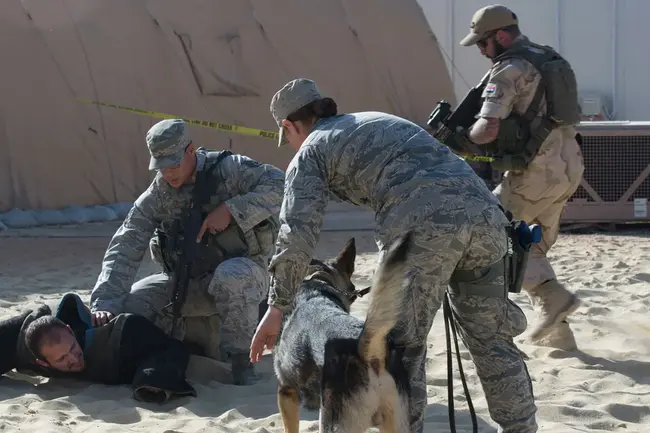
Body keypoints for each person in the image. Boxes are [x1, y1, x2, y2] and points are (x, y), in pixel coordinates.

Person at [250, 78, 538, 433]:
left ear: (289, 126)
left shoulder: (311, 149)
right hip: (487, 219)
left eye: (288, 138)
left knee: (400, 352)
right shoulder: (378, 120)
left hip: (421, 228)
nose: (291, 147)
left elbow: (296, 234)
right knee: (493, 339)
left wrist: (277, 307)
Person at [89, 118, 285, 385]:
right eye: (161, 167)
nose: (168, 174)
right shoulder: (158, 195)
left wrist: (231, 210)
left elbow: (281, 184)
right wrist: (105, 302)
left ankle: (241, 362)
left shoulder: (229, 170)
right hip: (189, 283)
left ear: (190, 150)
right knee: (134, 302)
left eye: (174, 164)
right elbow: (126, 244)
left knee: (231, 275)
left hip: (247, 276)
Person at [458, 4, 584, 350]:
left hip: (534, 174)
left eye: (483, 44)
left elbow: (487, 128)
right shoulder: (548, 58)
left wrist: (461, 138)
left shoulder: (509, 69)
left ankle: (554, 299)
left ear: (500, 36)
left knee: (494, 237)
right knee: (534, 247)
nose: (482, 52)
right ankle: (560, 335)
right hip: (568, 166)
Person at [1, 293, 196, 403]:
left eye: (73, 348)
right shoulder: (27, 347)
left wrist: (151, 379)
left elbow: (172, 348)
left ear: (70, 332)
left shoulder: (121, 337)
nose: (74, 358)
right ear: (43, 363)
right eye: (62, 359)